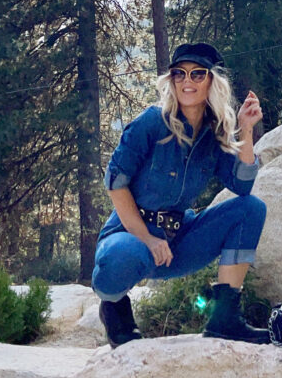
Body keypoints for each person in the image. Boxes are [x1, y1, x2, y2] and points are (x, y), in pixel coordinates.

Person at [92, 41, 269, 347]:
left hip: (178, 242)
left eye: (197, 74)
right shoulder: (151, 122)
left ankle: (224, 318)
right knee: (119, 258)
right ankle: (114, 308)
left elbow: (242, 186)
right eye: (179, 74)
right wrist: (148, 238)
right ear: (171, 80)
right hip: (131, 236)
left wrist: (246, 129)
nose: (187, 82)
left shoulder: (214, 134)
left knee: (250, 209)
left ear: (212, 81)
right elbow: (115, 183)